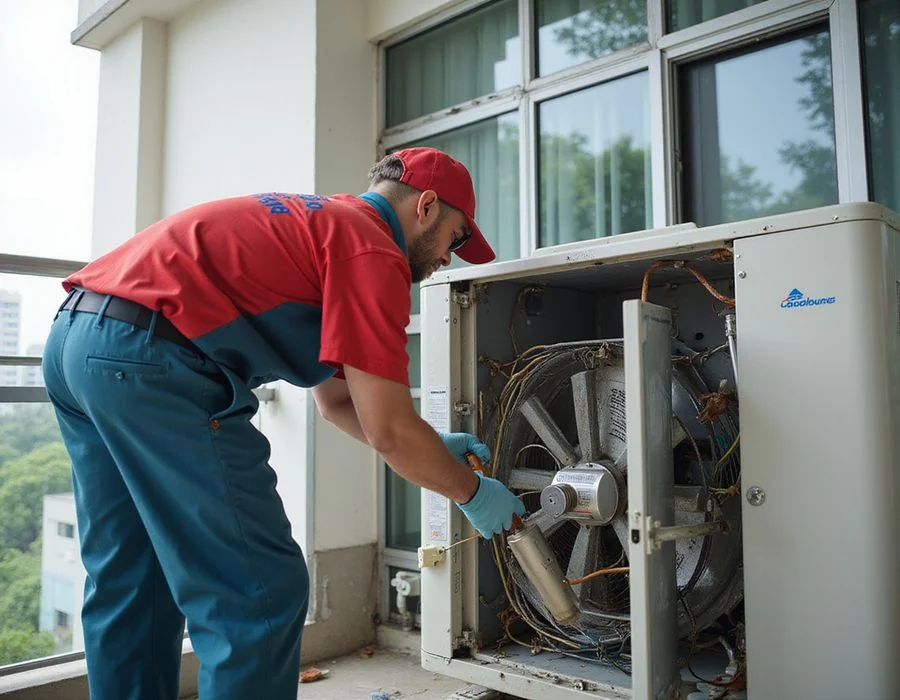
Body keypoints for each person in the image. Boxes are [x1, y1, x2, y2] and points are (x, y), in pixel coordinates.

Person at [41, 146, 526, 700]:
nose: (448, 259)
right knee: (258, 593)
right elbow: (389, 430)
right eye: (455, 239)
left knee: (134, 576)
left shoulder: (324, 225)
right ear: (427, 206)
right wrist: (470, 492)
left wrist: (432, 446)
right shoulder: (372, 250)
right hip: (151, 362)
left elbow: (339, 403)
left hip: (79, 343)